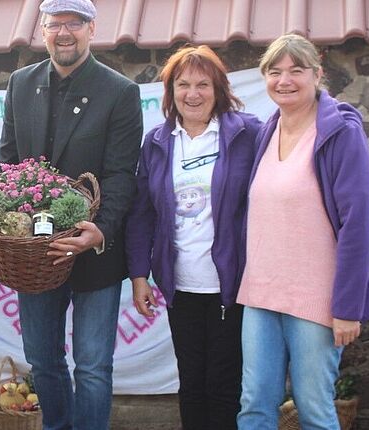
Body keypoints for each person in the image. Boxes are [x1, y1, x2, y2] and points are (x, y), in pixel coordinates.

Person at [0, 0, 143, 427]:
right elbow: (6, 164)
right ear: (42, 30)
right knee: (42, 360)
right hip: (34, 256)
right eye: (54, 24)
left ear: (91, 29)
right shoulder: (20, 83)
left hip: (93, 251)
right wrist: (4, 223)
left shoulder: (120, 91)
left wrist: (99, 231)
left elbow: (120, 175)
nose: (64, 33)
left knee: (94, 366)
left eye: (73, 24)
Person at [236, 33, 369, 429]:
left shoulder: (340, 132)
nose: (284, 80)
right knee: (254, 405)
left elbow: (356, 225)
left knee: (315, 408)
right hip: (261, 294)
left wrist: (347, 308)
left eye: (296, 71)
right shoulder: (266, 132)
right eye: (274, 71)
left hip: (316, 299)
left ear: (317, 74)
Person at [125, 45, 261, 430]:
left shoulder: (247, 133)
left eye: (203, 84)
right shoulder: (157, 142)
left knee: (224, 383)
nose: (193, 94)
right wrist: (139, 277)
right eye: (183, 84)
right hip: (180, 286)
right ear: (170, 92)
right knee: (191, 383)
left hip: (232, 287)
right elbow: (142, 216)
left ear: (218, 89)